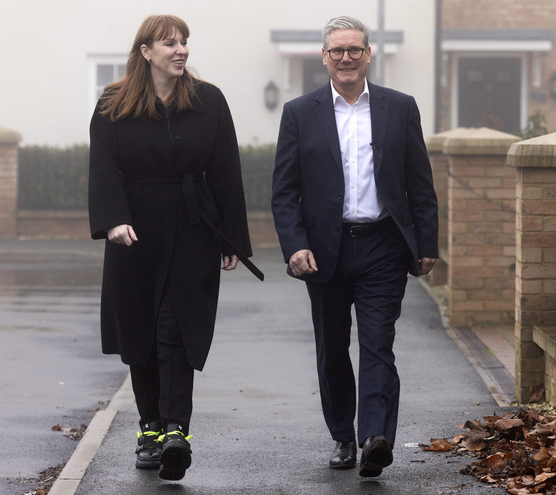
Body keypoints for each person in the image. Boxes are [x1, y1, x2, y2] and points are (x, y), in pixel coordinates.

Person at [87, 14, 261, 481]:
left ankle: (176, 431)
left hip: (193, 225)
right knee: (140, 332)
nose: (181, 50)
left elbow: (226, 172)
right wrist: (113, 220)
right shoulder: (113, 102)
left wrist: (233, 239)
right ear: (146, 51)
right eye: (169, 43)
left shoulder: (209, 100)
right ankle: (149, 429)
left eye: (184, 42)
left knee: (176, 329)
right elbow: (102, 167)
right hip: (135, 231)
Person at [271, 16, 438, 478]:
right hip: (324, 250)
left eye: (355, 50)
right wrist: (294, 245)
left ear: (368, 55)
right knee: (332, 347)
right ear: (324, 57)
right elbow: (285, 191)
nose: (346, 58)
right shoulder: (299, 113)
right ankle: (344, 435)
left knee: (378, 343)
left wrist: (427, 243)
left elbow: (419, 184)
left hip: (383, 244)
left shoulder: (398, 108)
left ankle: (375, 438)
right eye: (337, 51)